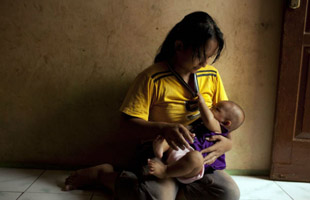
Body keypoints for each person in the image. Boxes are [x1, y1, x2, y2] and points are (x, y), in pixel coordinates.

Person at [64, 11, 241, 200]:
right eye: (200, 55)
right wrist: (164, 129)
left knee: (229, 194)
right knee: (157, 198)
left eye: (210, 56)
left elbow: (222, 122)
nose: (206, 62)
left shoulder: (211, 75)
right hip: (160, 152)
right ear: (179, 46)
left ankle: (172, 186)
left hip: (196, 154)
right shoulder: (151, 78)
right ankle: (104, 176)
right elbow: (127, 124)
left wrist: (227, 143)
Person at [148, 93, 245, 184]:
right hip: (181, 148)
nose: (211, 108)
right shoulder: (204, 125)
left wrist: (202, 103)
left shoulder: (219, 129)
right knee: (174, 133)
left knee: (196, 157)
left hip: (190, 166)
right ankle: (160, 150)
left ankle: (165, 171)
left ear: (226, 123)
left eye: (216, 109)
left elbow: (209, 119)